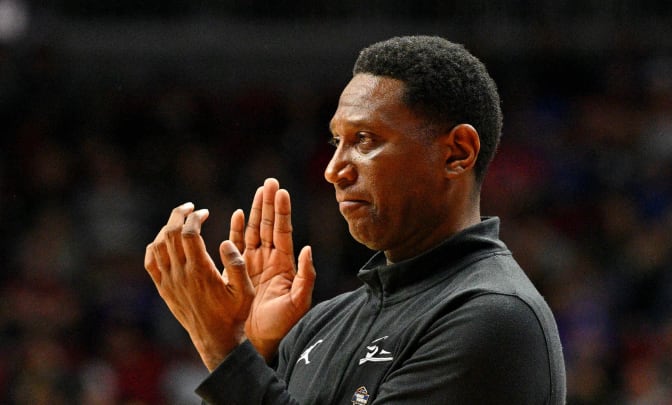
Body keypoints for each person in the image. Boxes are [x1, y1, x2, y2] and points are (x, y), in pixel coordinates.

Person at [145, 35, 566, 404]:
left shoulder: (494, 316)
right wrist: (257, 349)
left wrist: (222, 349)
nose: (333, 169)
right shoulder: (325, 322)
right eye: (336, 141)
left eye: (364, 140)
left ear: (457, 152)